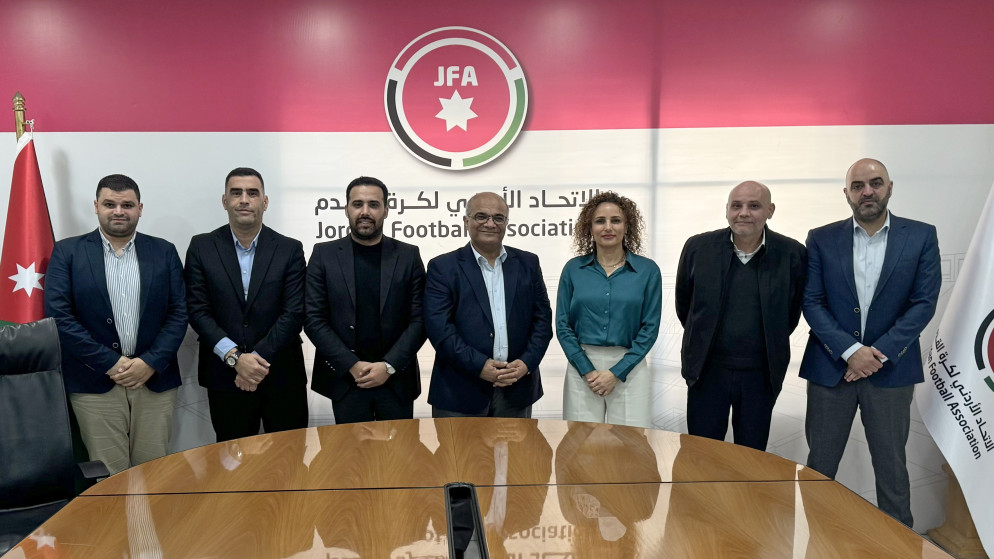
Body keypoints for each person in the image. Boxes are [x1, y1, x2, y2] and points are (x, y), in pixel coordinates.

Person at [800, 158, 940, 527]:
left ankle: (899, 547)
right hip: (831, 370)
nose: (867, 191)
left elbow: (923, 303)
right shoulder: (820, 238)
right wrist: (850, 352)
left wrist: (875, 356)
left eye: (875, 183)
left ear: (889, 187)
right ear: (846, 193)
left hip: (891, 372)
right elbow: (812, 301)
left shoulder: (921, 236)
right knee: (819, 468)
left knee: (892, 469)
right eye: (858, 185)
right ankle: (814, 544)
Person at [44, 174, 187, 475]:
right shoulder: (68, 252)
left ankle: (149, 514)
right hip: (94, 382)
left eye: (127, 205)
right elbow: (60, 317)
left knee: (154, 473)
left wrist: (150, 362)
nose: (119, 211)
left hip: (153, 380)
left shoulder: (164, 251)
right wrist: (110, 362)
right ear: (96, 206)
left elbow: (178, 313)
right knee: (109, 478)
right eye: (110, 204)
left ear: (140, 209)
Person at [675, 181, 806, 449]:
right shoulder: (698, 248)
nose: (744, 213)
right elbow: (684, 305)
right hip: (706, 372)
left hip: (761, 375)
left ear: (770, 210)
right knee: (702, 455)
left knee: (751, 457)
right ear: (727, 210)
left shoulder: (792, 253)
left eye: (754, 206)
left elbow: (791, 313)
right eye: (736, 206)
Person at [185, 167, 307, 442]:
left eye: (252, 193)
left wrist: (255, 361)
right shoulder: (202, 247)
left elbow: (294, 312)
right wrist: (236, 358)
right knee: (233, 462)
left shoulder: (289, 249)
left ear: (265, 201)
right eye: (236, 193)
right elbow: (198, 310)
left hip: (282, 375)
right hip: (225, 376)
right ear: (224, 201)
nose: (244, 200)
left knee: (290, 458)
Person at [305, 176, 427, 423]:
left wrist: (389, 366)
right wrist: (351, 364)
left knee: (400, 449)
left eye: (373, 204)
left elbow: (421, 319)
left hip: (396, 380)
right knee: (349, 449)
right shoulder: (323, 254)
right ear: (346, 209)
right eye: (357, 204)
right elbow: (313, 318)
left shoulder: (408, 255)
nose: (365, 212)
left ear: (386, 210)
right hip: (346, 380)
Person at [424, 192, 553, 417]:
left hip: (517, 388)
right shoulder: (442, 267)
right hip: (459, 392)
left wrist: (526, 363)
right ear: (466, 221)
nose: (490, 224)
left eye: (498, 218)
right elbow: (439, 329)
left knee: (518, 444)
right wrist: (479, 366)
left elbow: (542, 320)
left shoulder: (528, 263)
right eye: (481, 216)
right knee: (458, 444)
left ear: (506, 223)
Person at [556, 192, 661, 428]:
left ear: (627, 226)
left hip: (630, 366)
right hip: (582, 367)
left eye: (616, 220)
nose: (608, 227)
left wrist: (616, 373)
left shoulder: (648, 271)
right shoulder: (573, 269)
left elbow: (650, 328)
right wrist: (587, 370)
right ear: (590, 228)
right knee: (580, 442)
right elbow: (562, 325)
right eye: (600, 221)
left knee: (630, 443)